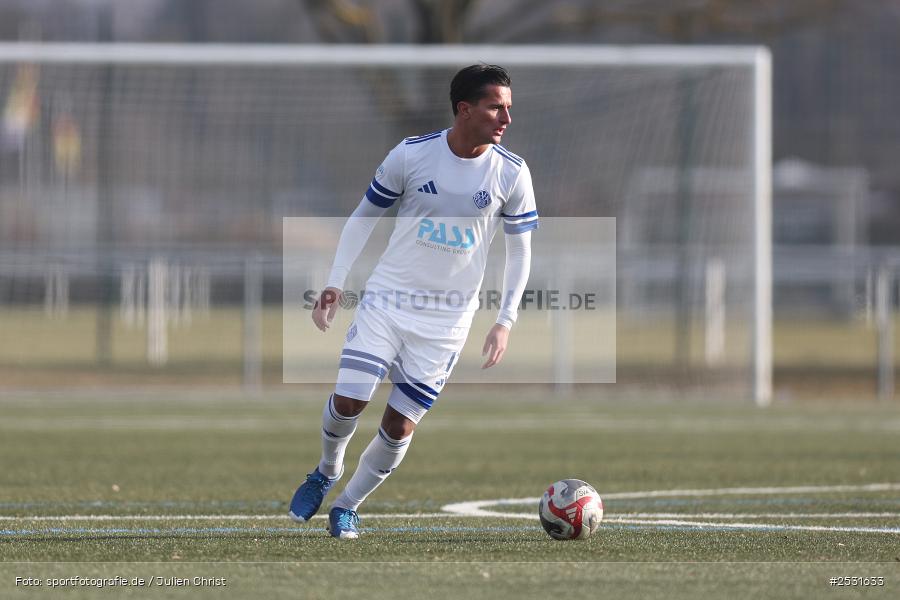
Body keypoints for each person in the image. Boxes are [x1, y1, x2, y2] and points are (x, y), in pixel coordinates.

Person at [289, 64, 538, 539]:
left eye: (508, 106)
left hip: (446, 323)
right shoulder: (412, 155)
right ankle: (325, 470)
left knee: (400, 426)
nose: (506, 116)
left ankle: (347, 505)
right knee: (348, 400)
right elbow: (364, 217)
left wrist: (505, 320)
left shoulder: (511, 172)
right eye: (495, 106)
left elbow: (521, 251)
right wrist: (335, 283)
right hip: (388, 301)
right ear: (465, 109)